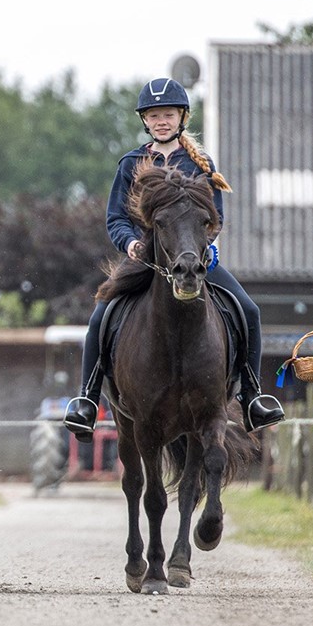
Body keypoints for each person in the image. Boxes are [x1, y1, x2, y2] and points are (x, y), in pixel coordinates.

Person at [64, 77, 285, 440]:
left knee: (249, 311)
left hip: (194, 260)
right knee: (101, 316)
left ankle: (252, 396)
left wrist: (202, 246)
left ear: (182, 117)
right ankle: (87, 399)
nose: (161, 121)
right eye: (154, 116)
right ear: (145, 120)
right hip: (146, 260)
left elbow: (215, 216)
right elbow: (115, 218)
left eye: (168, 114)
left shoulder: (200, 163)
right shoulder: (131, 163)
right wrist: (130, 244)